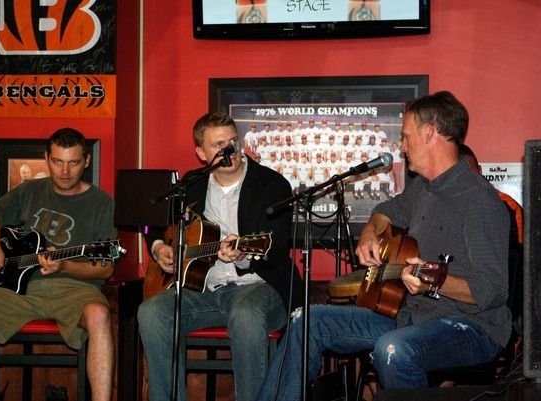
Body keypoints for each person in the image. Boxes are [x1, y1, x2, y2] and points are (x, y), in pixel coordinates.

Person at [255, 91, 511, 401]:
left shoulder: (479, 201)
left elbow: (493, 289)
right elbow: (388, 209)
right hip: (413, 317)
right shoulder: (423, 189)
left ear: (428, 132)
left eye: (406, 136)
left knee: (393, 349)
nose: (401, 147)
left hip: (472, 327)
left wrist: (434, 280)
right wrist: (370, 232)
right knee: (306, 320)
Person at [138, 112, 303, 401]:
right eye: (218, 145)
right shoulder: (191, 184)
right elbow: (148, 220)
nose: (229, 150)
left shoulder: (271, 184)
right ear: (201, 153)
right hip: (203, 290)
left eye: (232, 142)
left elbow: (276, 248)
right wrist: (158, 247)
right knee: (151, 312)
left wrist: (242, 253)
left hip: (259, 288)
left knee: (245, 315)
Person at [0, 128, 117, 401]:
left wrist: (65, 267)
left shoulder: (102, 203)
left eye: (73, 162)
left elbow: (106, 269)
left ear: (87, 161)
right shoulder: (29, 191)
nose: (65, 171)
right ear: (46, 158)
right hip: (21, 291)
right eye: (57, 161)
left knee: (100, 315)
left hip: (75, 291)